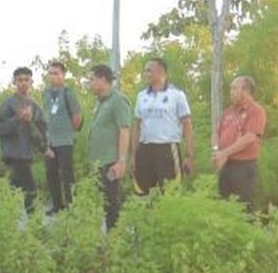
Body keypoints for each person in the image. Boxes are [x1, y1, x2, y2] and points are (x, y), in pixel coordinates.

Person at [131, 57, 195, 194]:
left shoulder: (177, 95)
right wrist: (134, 155)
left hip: (167, 149)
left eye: (149, 70)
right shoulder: (141, 96)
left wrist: (189, 155)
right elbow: (136, 126)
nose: (146, 74)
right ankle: (145, 215)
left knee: (171, 192)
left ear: (161, 71)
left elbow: (187, 126)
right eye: (145, 71)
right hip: (145, 149)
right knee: (142, 192)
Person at [0, 67, 48, 213]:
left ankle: (2, 221)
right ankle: (34, 225)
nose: (23, 83)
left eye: (26, 80)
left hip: (27, 154)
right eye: (20, 80)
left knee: (13, 191)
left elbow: (42, 129)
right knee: (30, 190)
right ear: (14, 81)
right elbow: (1, 128)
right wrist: (18, 118)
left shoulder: (35, 106)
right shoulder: (8, 104)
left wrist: (45, 148)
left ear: (31, 82)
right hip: (13, 154)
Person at [212, 75, 267, 212]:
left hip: (243, 166)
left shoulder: (256, 111)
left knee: (243, 206)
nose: (231, 92)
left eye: (234, 88)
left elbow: (249, 138)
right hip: (225, 164)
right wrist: (216, 151)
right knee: (224, 204)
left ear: (246, 91)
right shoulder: (228, 111)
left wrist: (224, 153)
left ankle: (248, 232)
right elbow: (216, 132)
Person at [88, 64, 132, 230]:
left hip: (110, 161)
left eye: (91, 79)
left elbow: (125, 130)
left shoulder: (118, 100)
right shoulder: (100, 102)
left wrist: (121, 161)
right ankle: (106, 239)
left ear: (102, 79)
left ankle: (115, 240)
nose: (89, 83)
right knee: (102, 202)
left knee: (112, 202)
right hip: (97, 161)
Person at [41, 60, 82, 214]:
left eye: (56, 73)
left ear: (63, 75)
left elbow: (77, 115)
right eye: (50, 73)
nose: (53, 76)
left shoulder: (68, 93)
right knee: (51, 174)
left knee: (67, 174)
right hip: (50, 140)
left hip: (65, 140)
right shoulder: (45, 93)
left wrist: (69, 130)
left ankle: (72, 206)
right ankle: (57, 205)